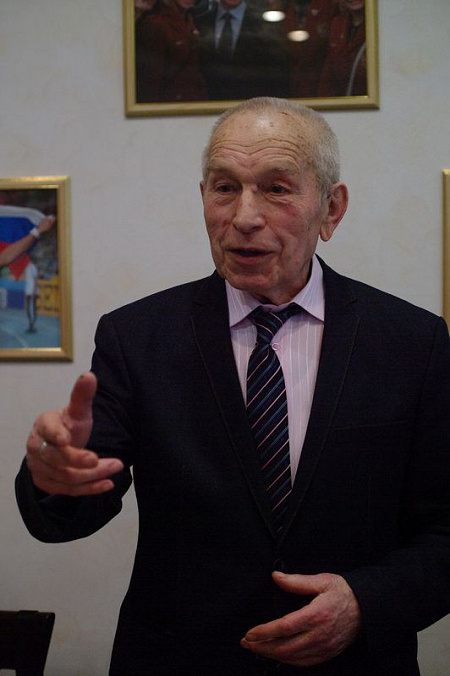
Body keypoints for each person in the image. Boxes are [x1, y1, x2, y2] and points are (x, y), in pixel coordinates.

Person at [16, 97, 450, 675]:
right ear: (204, 198)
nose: (245, 216)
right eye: (225, 188)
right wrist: (56, 475)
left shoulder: (413, 341)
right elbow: (75, 504)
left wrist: (366, 603)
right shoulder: (136, 337)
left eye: (276, 188)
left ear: (332, 208)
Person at [196, 0, 289, 101]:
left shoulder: (266, 21)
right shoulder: (200, 20)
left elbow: (277, 73)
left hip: (254, 102)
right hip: (206, 104)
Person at [135, 0, 207, 103]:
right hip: (169, 105)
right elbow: (149, 85)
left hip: (193, 103)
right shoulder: (155, 24)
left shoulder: (190, 19)